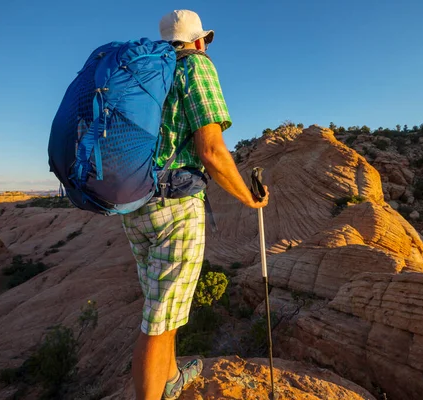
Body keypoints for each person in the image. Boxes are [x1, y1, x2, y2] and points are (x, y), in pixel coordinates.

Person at [121, 9, 269, 400]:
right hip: (175, 207)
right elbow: (212, 150)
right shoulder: (196, 68)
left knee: (162, 311)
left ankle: (170, 377)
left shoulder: (150, 74)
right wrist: (248, 197)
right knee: (156, 323)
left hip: (136, 203)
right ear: (199, 41)